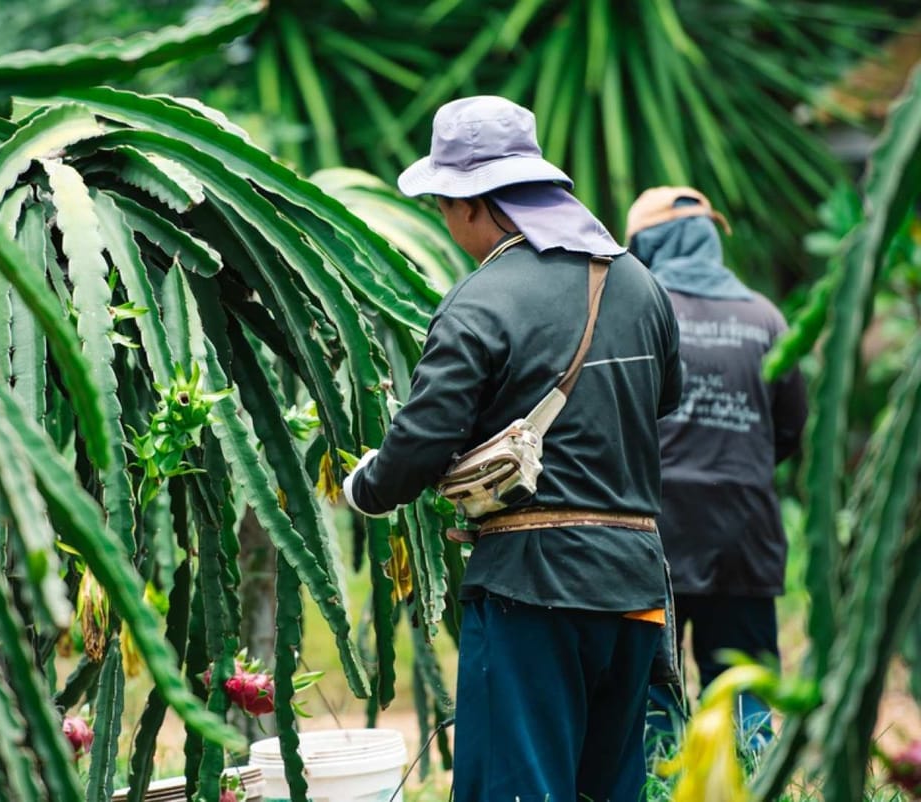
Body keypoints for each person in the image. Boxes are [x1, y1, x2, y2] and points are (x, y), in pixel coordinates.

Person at [343, 95, 683, 801]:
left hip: (534, 587)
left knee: (516, 787)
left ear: (475, 204)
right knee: (609, 786)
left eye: (444, 204)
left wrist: (365, 487)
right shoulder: (641, 286)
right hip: (636, 587)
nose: (446, 222)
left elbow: (422, 443)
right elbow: (664, 404)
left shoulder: (481, 300)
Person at [625, 187, 808, 755]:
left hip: (655, 531)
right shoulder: (767, 318)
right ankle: (754, 781)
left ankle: (658, 786)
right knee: (743, 680)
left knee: (650, 687)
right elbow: (791, 429)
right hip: (744, 531)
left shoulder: (637, 314)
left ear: (645, 244)